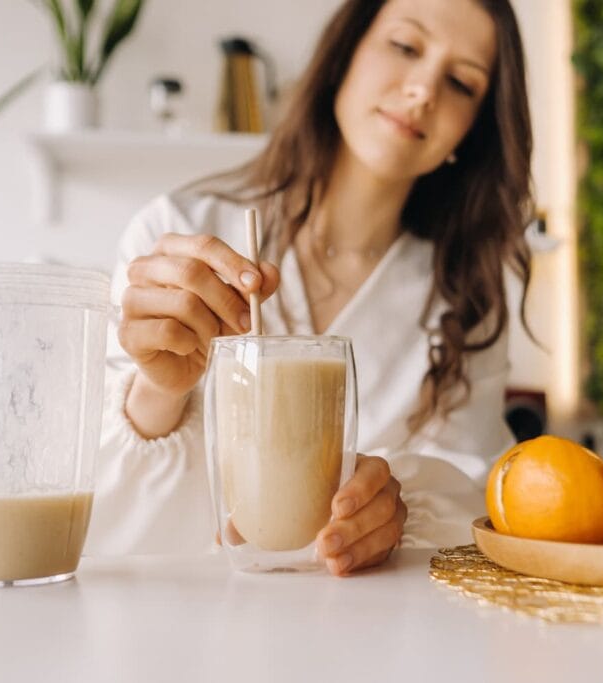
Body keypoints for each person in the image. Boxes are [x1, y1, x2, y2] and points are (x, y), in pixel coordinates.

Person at [86, 0, 535, 576]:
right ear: (344, 54)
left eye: (460, 82)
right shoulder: (177, 233)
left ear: (472, 132)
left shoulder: (466, 294)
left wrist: (398, 509)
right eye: (405, 46)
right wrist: (157, 391)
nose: (424, 90)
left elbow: (475, 487)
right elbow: (100, 511)